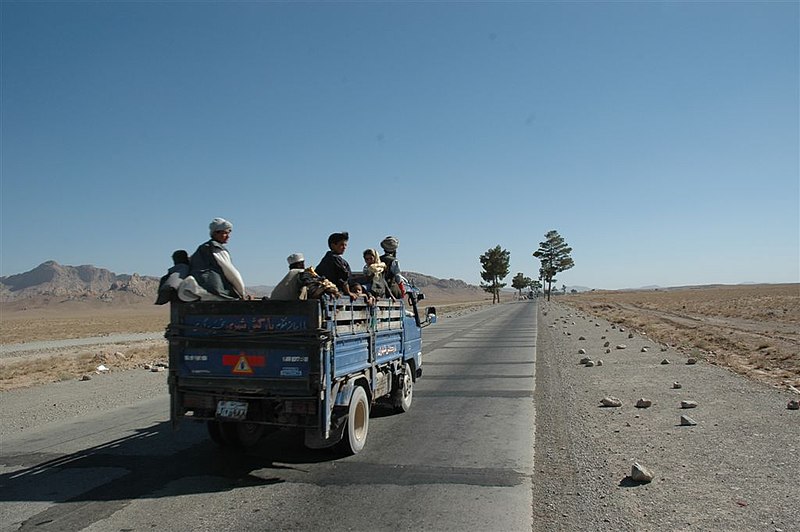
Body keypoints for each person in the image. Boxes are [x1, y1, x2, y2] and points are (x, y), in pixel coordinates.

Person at [179, 217, 247, 301]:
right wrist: (242, 293)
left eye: (228, 233)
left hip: (200, 291)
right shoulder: (216, 248)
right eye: (225, 233)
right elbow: (231, 273)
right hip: (214, 291)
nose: (228, 236)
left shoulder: (202, 248)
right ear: (215, 233)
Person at [315, 232, 357, 299]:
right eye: (341, 245)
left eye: (345, 245)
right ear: (333, 245)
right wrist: (348, 292)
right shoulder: (335, 259)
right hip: (336, 294)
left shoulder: (326, 258)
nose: (344, 247)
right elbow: (343, 278)